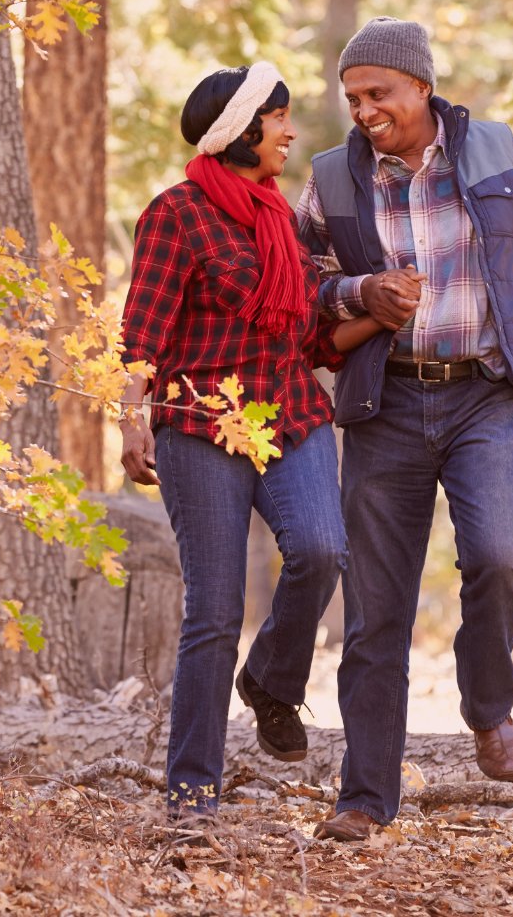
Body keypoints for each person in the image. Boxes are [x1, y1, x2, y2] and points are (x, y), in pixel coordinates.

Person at [296, 17, 513, 842]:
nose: (363, 110)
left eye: (379, 93)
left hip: (482, 394)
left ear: (421, 85)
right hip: (384, 404)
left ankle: (488, 707)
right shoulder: (331, 180)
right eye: (352, 97)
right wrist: (360, 293)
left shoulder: (496, 153)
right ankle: (363, 798)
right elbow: (304, 291)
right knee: (375, 609)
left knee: (501, 556)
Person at [119, 62, 386, 825]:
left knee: (321, 551)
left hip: (289, 418)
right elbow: (141, 333)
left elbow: (312, 336)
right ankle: (192, 794)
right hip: (201, 423)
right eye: (278, 118)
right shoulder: (177, 214)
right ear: (240, 130)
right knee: (213, 610)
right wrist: (132, 418)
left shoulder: (278, 219)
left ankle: (270, 681)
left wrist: (384, 313)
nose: (290, 132)